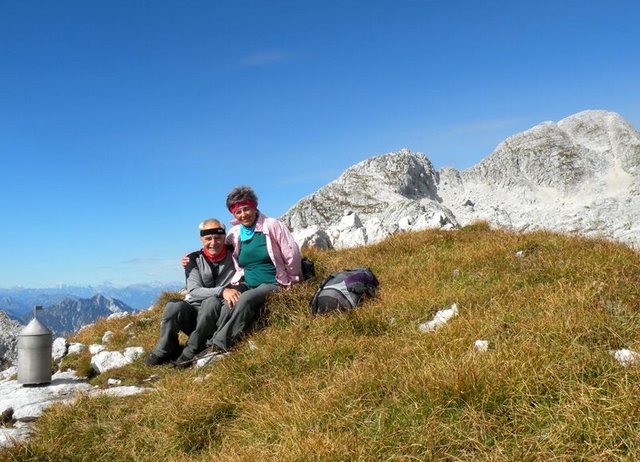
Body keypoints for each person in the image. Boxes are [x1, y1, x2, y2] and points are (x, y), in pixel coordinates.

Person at [184, 186, 303, 353]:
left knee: (245, 299)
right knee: (230, 300)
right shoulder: (235, 233)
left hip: (274, 281)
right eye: (237, 212)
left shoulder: (272, 225)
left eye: (246, 209)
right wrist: (193, 258)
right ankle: (210, 339)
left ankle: (220, 345)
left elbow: (291, 253)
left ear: (254, 207)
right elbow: (216, 247)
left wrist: (294, 280)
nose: (243, 215)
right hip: (247, 282)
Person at [145, 218, 238, 368]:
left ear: (224, 237)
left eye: (218, 238)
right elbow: (194, 291)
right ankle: (165, 348)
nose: (213, 242)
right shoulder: (193, 259)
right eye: (208, 238)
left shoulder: (235, 254)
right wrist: (222, 291)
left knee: (211, 302)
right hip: (196, 315)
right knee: (173, 306)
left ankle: (194, 349)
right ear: (201, 239)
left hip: (219, 317)